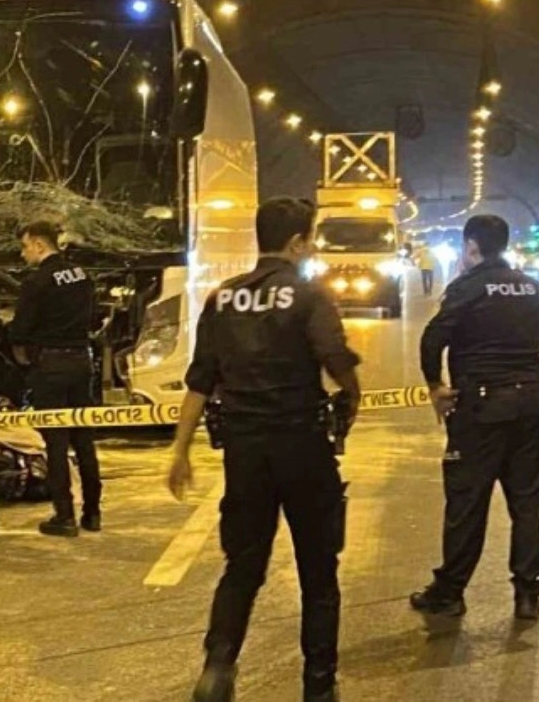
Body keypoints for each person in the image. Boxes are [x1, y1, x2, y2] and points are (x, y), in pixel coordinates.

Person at [167, 197, 362, 702]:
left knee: (242, 566)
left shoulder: (222, 298)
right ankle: (318, 685)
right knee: (318, 571)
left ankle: (217, 667)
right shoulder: (309, 295)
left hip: (245, 453)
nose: (311, 249)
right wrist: (352, 395)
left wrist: (180, 449)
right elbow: (334, 356)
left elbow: (200, 381)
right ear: (296, 242)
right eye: (309, 240)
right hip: (303, 447)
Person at [410, 214, 539, 621]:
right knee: (527, 503)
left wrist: (435, 387)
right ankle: (527, 595)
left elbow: (433, 339)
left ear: (471, 247)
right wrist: (537, 378)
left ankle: (450, 592)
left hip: (479, 411)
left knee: (467, 502)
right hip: (529, 409)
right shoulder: (532, 287)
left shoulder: (466, 289)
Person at [8, 221, 102, 537]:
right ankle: (92, 512)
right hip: (82, 361)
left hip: (51, 364)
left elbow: (20, 330)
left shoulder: (37, 281)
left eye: (25, 247)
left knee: (56, 442)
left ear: (39, 244)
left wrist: (25, 358)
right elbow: (94, 317)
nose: (23, 254)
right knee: (84, 439)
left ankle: (64, 515)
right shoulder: (82, 275)